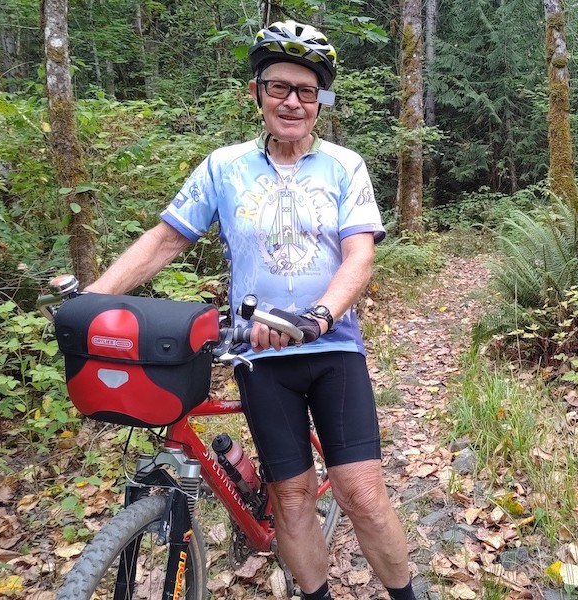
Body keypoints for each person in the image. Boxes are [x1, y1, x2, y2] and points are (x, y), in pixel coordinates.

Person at [84, 19, 417, 600]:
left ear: (321, 101)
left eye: (306, 91)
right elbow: (166, 238)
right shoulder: (224, 166)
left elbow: (358, 257)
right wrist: (94, 299)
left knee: (360, 490)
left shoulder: (345, 166)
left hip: (331, 347)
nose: (292, 101)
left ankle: (409, 594)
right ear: (256, 93)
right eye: (279, 87)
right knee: (288, 495)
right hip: (259, 354)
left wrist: (318, 315)